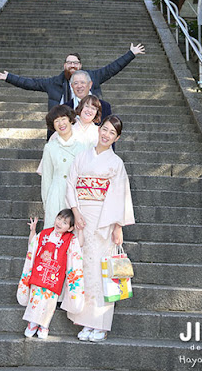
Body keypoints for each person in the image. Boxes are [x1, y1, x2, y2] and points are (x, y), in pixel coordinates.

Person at [65, 115, 135, 342]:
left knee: (101, 271)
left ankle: (101, 325)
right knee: (82, 268)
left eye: (111, 133)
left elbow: (118, 196)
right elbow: (71, 183)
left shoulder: (116, 163)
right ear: (99, 129)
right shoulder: (82, 156)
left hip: (103, 220)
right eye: (104, 129)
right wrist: (75, 213)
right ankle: (85, 321)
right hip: (82, 218)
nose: (106, 134)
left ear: (117, 138)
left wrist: (117, 226)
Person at [0, 43, 145, 111]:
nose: (72, 66)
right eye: (69, 63)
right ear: (64, 65)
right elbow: (30, 83)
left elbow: (112, 68)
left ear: (80, 66)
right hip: (62, 126)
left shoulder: (92, 77)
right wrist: (9, 77)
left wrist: (131, 54)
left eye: (75, 63)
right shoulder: (53, 83)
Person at [16, 209, 85, 339]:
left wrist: (80, 231)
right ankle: (32, 323)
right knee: (35, 298)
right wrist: (32, 231)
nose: (59, 223)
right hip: (39, 272)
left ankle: (44, 325)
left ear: (70, 228)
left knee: (50, 301)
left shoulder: (70, 239)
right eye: (59, 219)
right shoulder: (45, 233)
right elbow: (33, 244)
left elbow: (79, 245)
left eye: (65, 222)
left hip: (54, 276)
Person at [40, 105, 87, 228]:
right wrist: (46, 204)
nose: (61, 123)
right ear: (53, 125)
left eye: (63, 118)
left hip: (76, 197)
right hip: (56, 195)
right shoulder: (50, 148)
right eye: (56, 121)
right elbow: (46, 178)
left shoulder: (83, 146)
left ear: (71, 120)